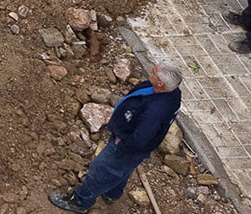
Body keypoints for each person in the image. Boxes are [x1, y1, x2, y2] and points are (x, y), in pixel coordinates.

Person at [48, 63, 184, 212]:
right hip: (135, 148)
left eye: (154, 72)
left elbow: (140, 139)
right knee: (123, 169)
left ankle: (79, 201)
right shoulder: (170, 93)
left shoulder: (155, 110)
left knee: (100, 170)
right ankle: (112, 193)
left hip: (127, 146)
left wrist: (122, 145)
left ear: (160, 83)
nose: (150, 69)